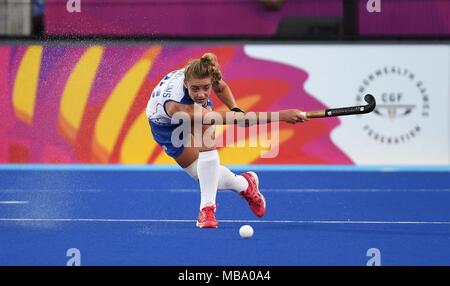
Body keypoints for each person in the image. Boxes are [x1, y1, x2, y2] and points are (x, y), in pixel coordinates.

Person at [145, 53, 308, 228]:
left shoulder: (205, 71)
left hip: (195, 112)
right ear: (186, 84)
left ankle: (207, 211)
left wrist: (235, 108)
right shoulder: (177, 105)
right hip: (165, 125)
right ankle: (245, 184)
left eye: (205, 88)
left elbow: (220, 88)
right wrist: (283, 115)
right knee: (201, 175)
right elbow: (243, 121)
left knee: (206, 144)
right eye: (195, 89)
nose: (201, 94)